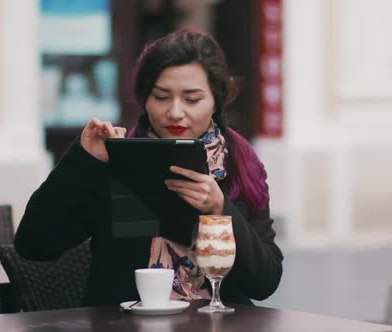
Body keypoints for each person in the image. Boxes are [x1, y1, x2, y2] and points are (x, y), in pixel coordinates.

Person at [14, 28, 283, 306]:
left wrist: (221, 209)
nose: (175, 112)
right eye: (162, 97)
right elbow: (34, 245)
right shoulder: (117, 163)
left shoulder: (238, 163)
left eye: (192, 99)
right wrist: (84, 160)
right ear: (145, 99)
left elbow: (264, 282)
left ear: (216, 101)